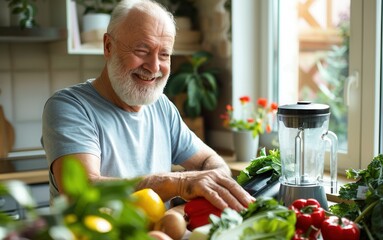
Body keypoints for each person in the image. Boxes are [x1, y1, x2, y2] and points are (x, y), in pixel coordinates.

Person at [42, 0, 254, 211]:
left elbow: (211, 162)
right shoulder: (69, 106)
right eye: (142, 51)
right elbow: (79, 191)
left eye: (164, 55)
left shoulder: (161, 106)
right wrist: (180, 183)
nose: (154, 67)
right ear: (108, 46)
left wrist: (185, 208)